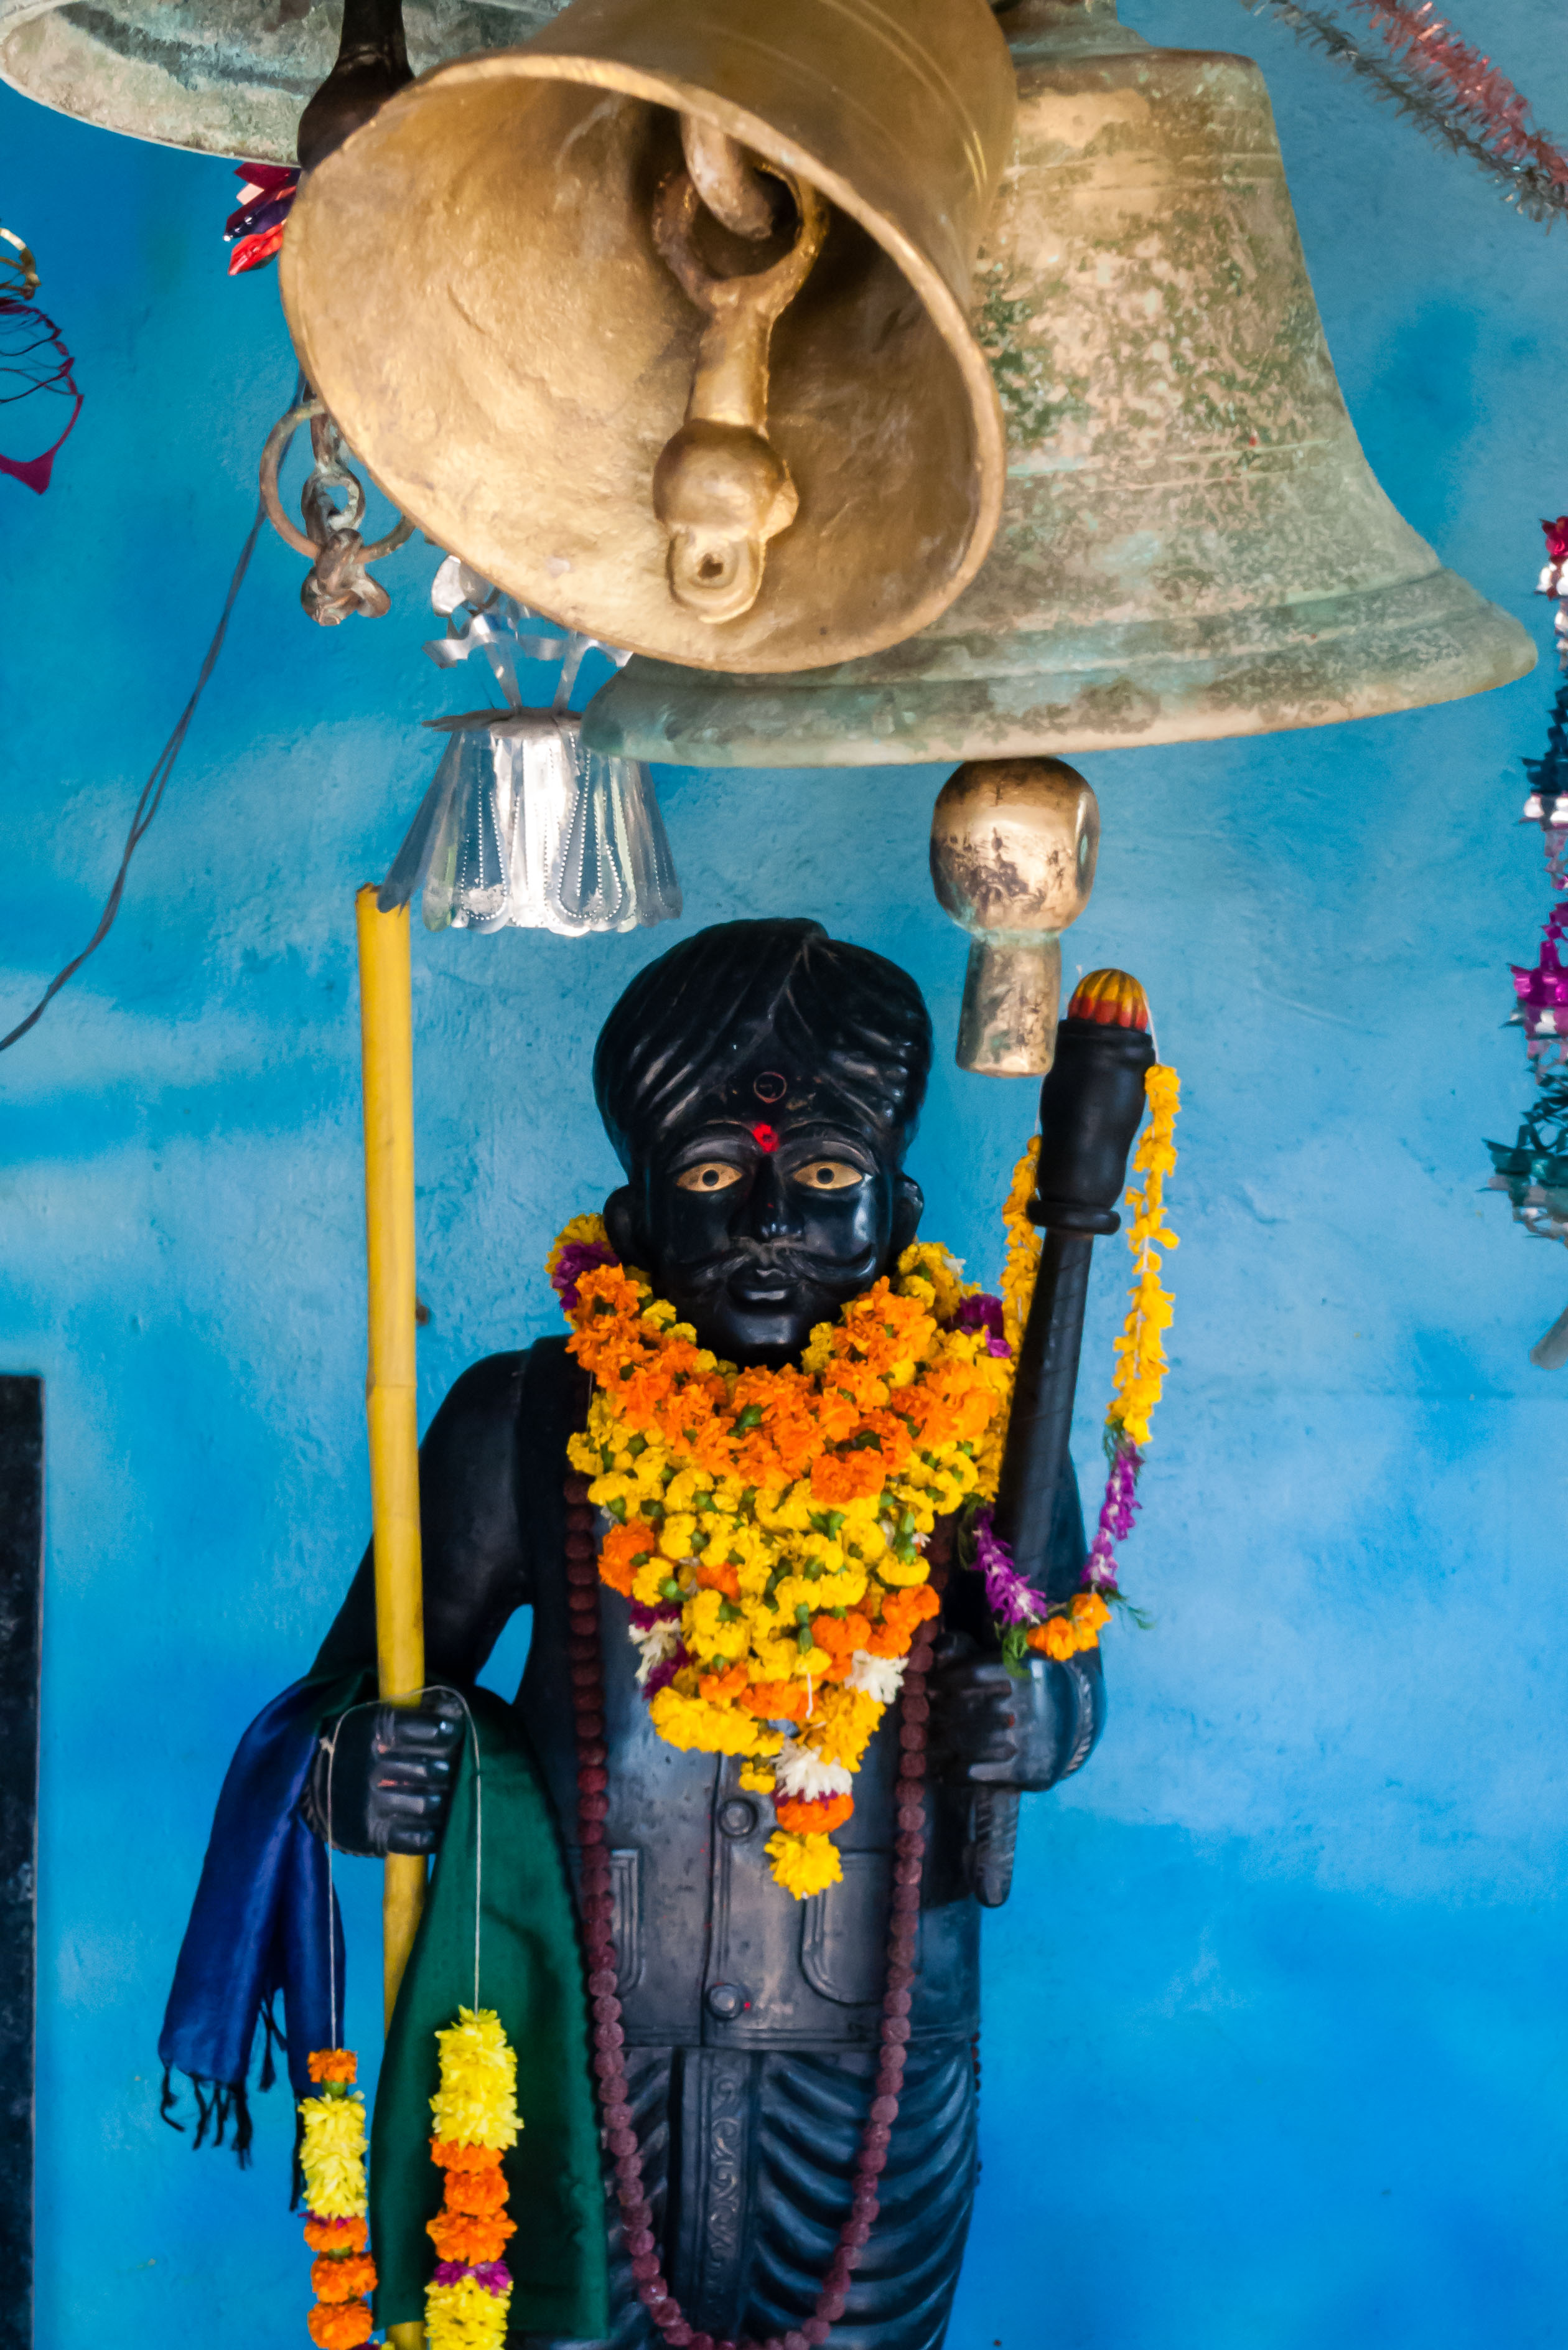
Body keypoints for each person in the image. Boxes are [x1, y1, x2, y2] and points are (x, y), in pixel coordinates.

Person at [164, 918, 1149, 2350]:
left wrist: (1030, 1721)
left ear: (899, 1211)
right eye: (710, 1175)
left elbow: (1062, 1695)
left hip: (869, 2068)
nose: (765, 1224)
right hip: (578, 2049)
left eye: (820, 1177)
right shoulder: (529, 1418)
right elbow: (349, 1701)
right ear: (632, 1218)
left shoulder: (982, 1424)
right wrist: (368, 1756)